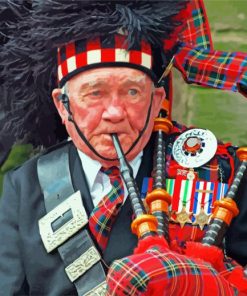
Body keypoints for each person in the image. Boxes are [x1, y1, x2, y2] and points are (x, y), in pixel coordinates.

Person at [1, 1, 247, 295]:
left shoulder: (221, 173)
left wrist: (211, 286)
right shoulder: (26, 185)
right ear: (62, 106)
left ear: (156, 101)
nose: (115, 112)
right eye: (95, 93)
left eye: (132, 92)